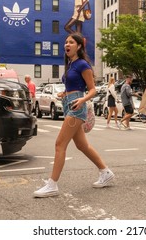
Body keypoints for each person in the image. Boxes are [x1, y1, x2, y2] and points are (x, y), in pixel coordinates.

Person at [33, 33, 114, 198]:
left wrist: (82, 99)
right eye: (66, 42)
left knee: (59, 144)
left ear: (79, 46)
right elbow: (73, 85)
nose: (66, 45)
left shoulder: (83, 64)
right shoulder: (71, 64)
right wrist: (64, 93)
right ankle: (105, 172)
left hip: (77, 106)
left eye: (71, 42)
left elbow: (92, 89)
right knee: (82, 146)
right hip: (69, 103)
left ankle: (52, 185)